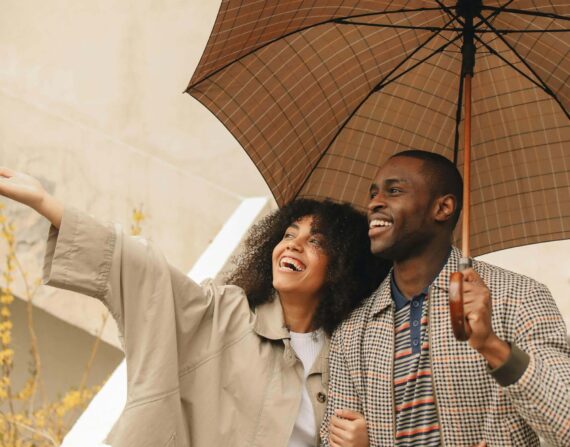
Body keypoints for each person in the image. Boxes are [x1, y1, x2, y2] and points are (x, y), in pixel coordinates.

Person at [0, 167, 390, 447]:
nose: (292, 244)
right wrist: (47, 203)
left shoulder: (350, 356)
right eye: (289, 234)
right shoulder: (222, 314)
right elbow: (146, 273)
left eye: (315, 241)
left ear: (342, 265)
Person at [321, 150, 570, 447]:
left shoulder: (519, 297)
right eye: (373, 194)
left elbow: (565, 424)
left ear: (443, 207)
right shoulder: (351, 331)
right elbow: (331, 437)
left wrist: (493, 347)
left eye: (394, 191)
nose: (374, 203)